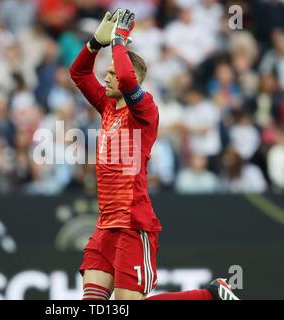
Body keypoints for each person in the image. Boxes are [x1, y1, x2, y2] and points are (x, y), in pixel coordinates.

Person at [70, 9, 239, 301]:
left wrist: (119, 41)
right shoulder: (107, 106)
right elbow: (78, 73)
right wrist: (94, 44)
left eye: (111, 74)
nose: (107, 78)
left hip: (133, 223)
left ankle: (209, 295)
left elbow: (123, 72)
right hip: (105, 225)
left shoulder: (145, 109)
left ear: (129, 80)